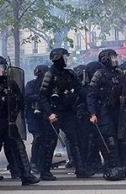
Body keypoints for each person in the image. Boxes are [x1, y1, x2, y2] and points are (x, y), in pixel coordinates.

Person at [0, 56, 39, 186]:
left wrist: (20, 114)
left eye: (3, 67)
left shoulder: (10, 82)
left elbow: (20, 99)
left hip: (9, 120)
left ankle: (26, 175)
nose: (2, 70)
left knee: (18, 145)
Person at [37, 48, 92, 180]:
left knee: (75, 140)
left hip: (68, 112)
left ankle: (80, 169)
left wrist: (91, 98)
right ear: (58, 58)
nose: (68, 59)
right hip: (55, 112)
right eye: (66, 57)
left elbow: (80, 89)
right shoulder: (50, 75)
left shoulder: (69, 73)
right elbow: (43, 96)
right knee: (50, 142)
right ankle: (45, 172)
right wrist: (49, 113)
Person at [87, 49, 126, 181]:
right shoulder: (99, 74)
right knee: (109, 140)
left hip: (116, 111)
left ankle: (117, 166)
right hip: (103, 111)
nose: (116, 60)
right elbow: (91, 95)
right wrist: (92, 113)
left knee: (119, 140)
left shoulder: (120, 73)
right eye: (113, 57)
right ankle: (111, 167)